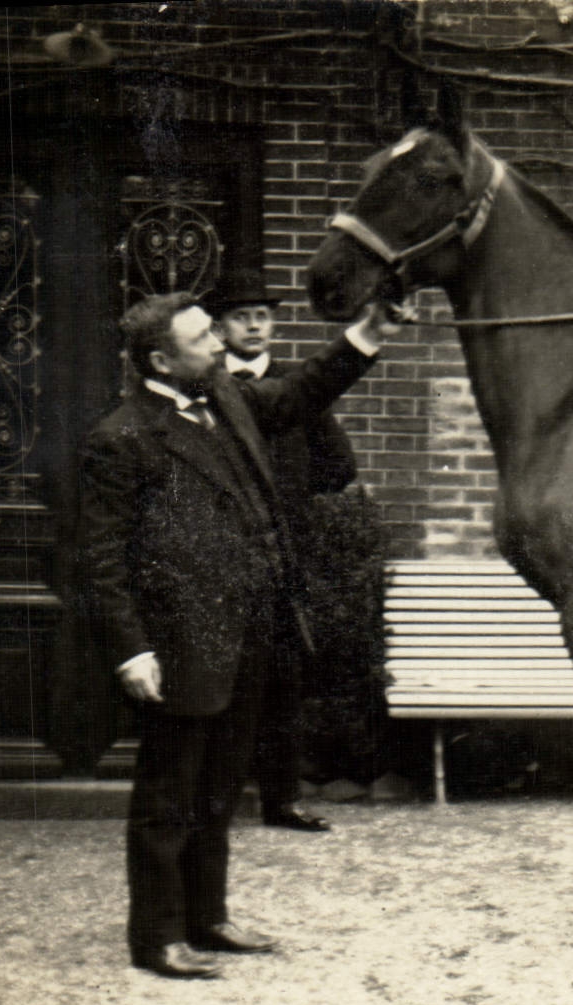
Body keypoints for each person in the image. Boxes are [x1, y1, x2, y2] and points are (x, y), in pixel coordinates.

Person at [80, 290, 388, 979]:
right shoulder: (123, 437)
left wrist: (365, 333)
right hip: (182, 644)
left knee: (219, 790)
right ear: (161, 358)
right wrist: (131, 649)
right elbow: (100, 560)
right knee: (168, 796)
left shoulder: (228, 402)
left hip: (250, 634)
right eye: (202, 339)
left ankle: (208, 919)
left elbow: (302, 393)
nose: (221, 345)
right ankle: (157, 938)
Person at [207, 267, 357, 834]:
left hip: (284, 554)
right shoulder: (209, 388)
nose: (253, 327)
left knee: (282, 679)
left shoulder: (299, 390)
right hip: (221, 550)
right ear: (219, 330)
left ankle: (281, 798)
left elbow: (340, 466)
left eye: (262, 317)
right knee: (221, 674)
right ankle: (215, 798)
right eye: (241, 318)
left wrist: (290, 497)